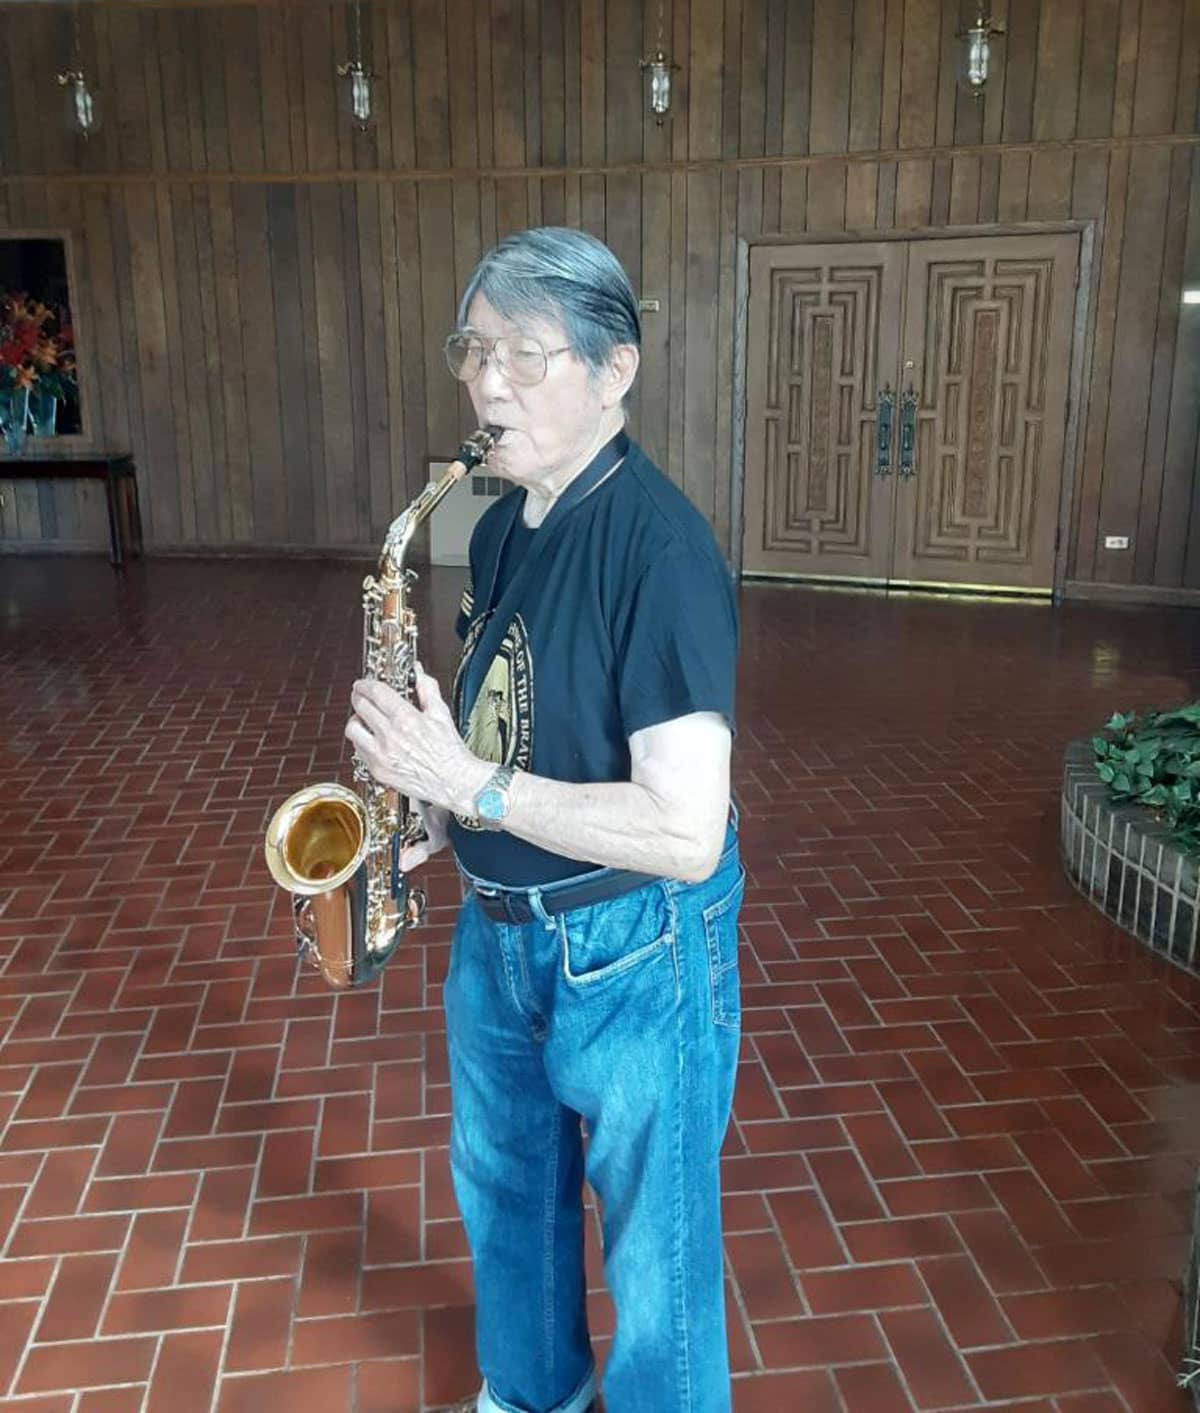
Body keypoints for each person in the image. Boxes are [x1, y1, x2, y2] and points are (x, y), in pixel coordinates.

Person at [345, 227, 743, 1413]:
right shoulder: (503, 523)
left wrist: (474, 790)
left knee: (656, 1249)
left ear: (616, 370)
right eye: (474, 352)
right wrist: (434, 809)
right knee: (506, 1188)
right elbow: (519, 719)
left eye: (526, 354)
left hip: (635, 947)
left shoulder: (661, 550)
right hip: (502, 931)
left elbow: (688, 831)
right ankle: (529, 1394)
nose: (485, 382)